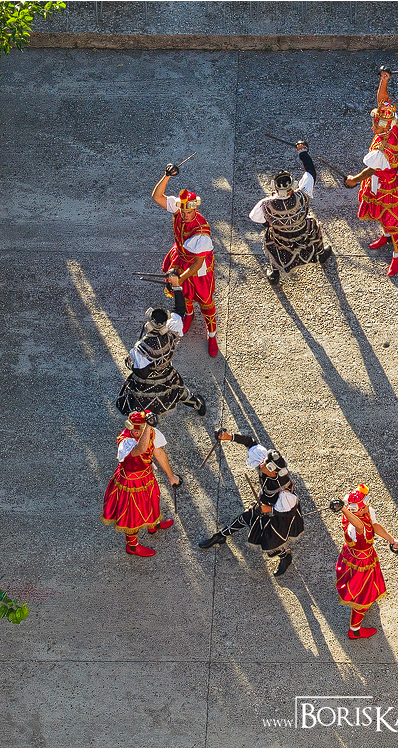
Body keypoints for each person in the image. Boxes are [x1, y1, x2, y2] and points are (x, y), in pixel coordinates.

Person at [196, 430, 304, 576]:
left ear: (273, 472)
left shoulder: (284, 487)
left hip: (278, 515)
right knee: (244, 518)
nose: (261, 465)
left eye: (266, 465)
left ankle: (286, 556)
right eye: (264, 462)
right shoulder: (264, 463)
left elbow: (289, 511)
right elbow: (250, 442)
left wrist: (269, 509)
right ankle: (220, 536)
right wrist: (229, 437)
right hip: (264, 505)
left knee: (270, 542)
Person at [344, 67, 398, 277]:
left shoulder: (386, 146)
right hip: (379, 183)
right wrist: (384, 80)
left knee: (393, 221)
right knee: (382, 215)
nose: (373, 127)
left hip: (387, 186)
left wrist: (354, 179)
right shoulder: (391, 125)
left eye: (377, 125)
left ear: (386, 125)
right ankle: (385, 237)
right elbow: (382, 100)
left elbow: (371, 169)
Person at [116, 273, 207, 417]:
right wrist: (176, 285)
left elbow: (141, 372)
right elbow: (180, 310)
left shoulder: (141, 346)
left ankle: (142, 423)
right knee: (179, 391)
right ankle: (197, 404)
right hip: (167, 373)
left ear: (150, 322)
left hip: (146, 383)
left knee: (136, 402)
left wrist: (130, 363)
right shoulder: (172, 331)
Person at [151, 164, 219, 357]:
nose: (185, 215)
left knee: (206, 303)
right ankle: (188, 315)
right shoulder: (179, 208)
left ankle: (212, 335)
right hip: (180, 258)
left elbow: (198, 263)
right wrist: (166, 176)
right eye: (183, 212)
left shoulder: (201, 231)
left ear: (195, 209)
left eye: (189, 213)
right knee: (184, 295)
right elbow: (157, 197)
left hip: (198, 268)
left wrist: (180, 279)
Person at [249, 141, 333, 285]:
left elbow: (256, 218)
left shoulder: (266, 204)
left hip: (281, 238)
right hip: (304, 231)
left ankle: (275, 273)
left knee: (270, 238)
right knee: (313, 224)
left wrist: (273, 223)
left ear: (275, 187)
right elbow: (310, 172)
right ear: (292, 185)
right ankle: (321, 254)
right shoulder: (302, 194)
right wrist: (303, 152)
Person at [101, 410, 181, 557]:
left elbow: (158, 453)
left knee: (153, 499)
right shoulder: (125, 440)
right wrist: (148, 428)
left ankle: (153, 525)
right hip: (130, 483)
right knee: (132, 513)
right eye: (133, 429)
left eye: (138, 429)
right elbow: (140, 449)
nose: (134, 432)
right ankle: (132, 546)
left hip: (146, 476)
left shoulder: (149, 432)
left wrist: (171, 476)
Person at [336, 484, 398, 639]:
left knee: (364, 589)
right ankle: (355, 630)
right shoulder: (355, 526)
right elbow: (360, 526)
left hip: (358, 556)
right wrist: (343, 509)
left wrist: (391, 539)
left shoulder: (359, 511)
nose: (368, 506)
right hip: (361, 563)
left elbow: (374, 525)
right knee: (363, 595)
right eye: (365, 505)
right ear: (358, 510)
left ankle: (363, 606)